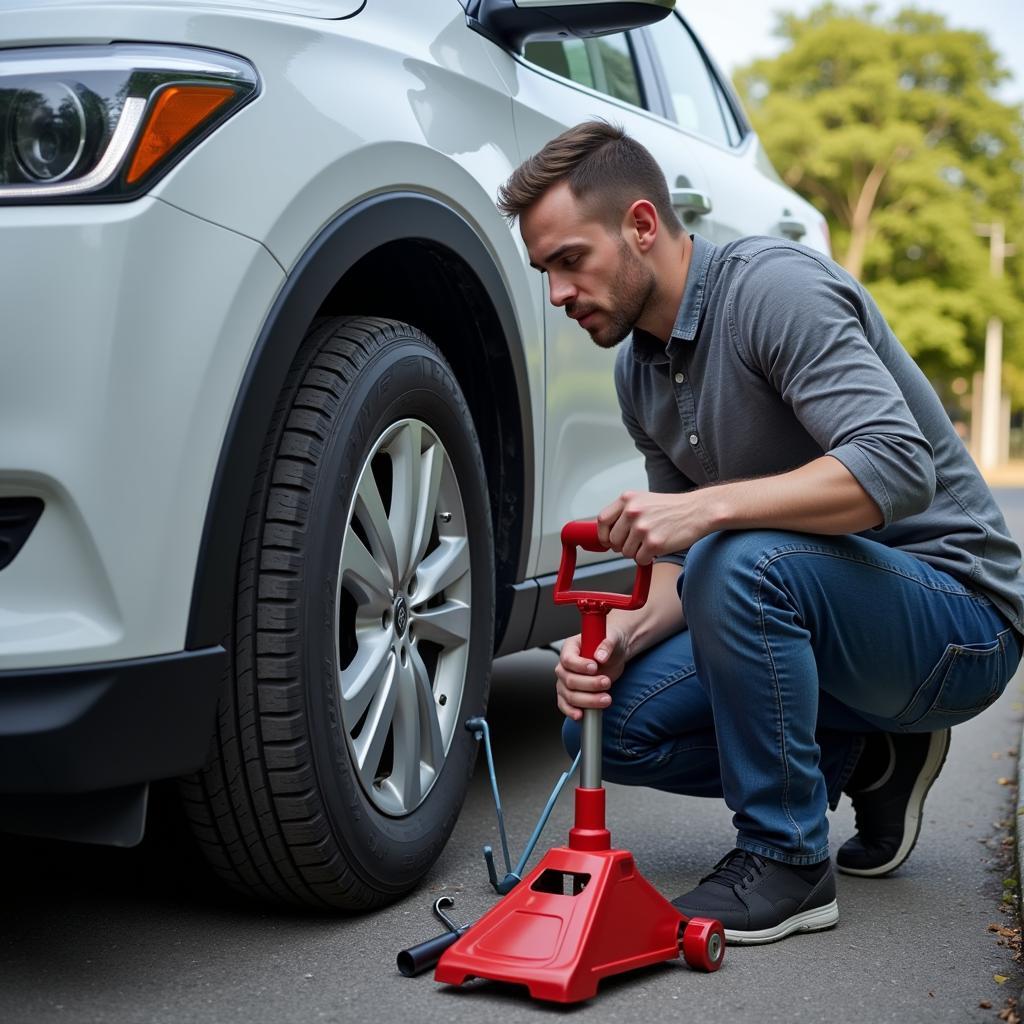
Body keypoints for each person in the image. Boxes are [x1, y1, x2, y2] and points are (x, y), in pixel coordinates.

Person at [496, 121, 1024, 945]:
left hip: (959, 620)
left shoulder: (773, 292)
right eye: (546, 273)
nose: (559, 293)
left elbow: (896, 466)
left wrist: (708, 511)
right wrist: (621, 639)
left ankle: (788, 859)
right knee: (603, 724)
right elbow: (677, 562)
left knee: (739, 557)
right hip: (823, 615)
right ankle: (872, 757)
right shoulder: (639, 368)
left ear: (641, 225)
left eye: (571, 260)